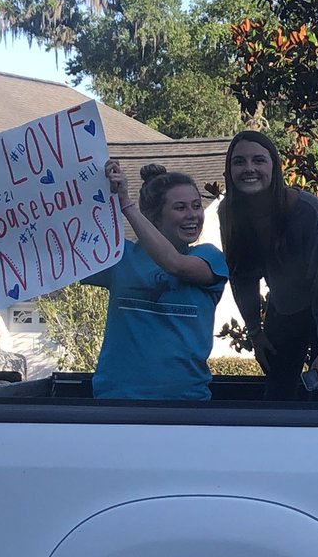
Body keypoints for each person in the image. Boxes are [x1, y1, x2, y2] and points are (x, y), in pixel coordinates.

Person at [219, 131, 318, 400]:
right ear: (229, 169)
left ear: (274, 166)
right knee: (277, 386)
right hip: (285, 300)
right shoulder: (228, 211)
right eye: (239, 162)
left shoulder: (307, 209)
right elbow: (241, 275)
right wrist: (254, 331)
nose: (249, 168)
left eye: (258, 160)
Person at [85, 161, 229, 400]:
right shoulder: (119, 256)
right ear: (153, 216)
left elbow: (174, 264)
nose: (193, 215)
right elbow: (57, 254)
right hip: (116, 400)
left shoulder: (209, 257)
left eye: (196, 206)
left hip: (185, 403)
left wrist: (127, 206)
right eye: (180, 208)